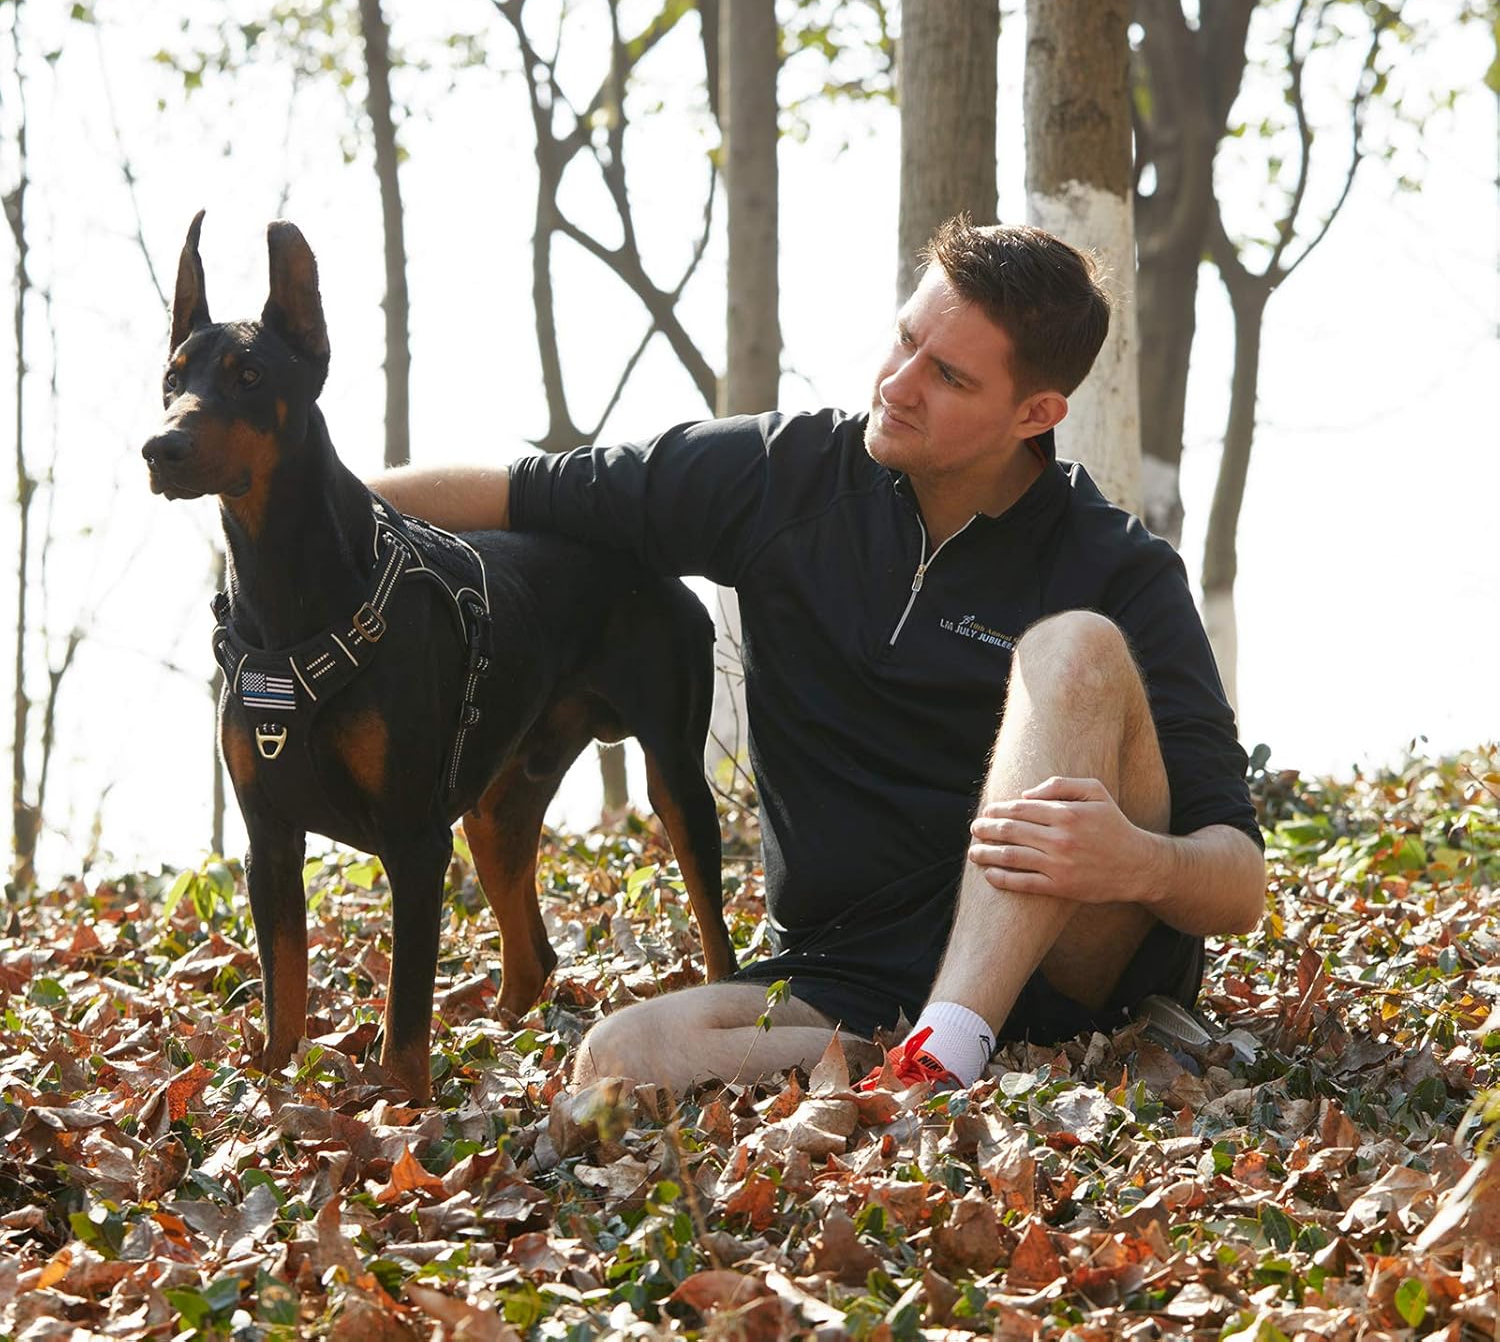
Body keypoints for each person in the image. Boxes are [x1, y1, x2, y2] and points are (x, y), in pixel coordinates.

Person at [371, 216, 1266, 1094]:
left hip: (1077, 970)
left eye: (948, 375)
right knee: (621, 1056)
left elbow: (1239, 881)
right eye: (906, 340)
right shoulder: (784, 475)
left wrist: (1136, 862)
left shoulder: (1119, 566)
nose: (899, 384)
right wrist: (314, 518)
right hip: (848, 979)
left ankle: (953, 1040)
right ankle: (913, 1066)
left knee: (1075, 646)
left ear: (1035, 413)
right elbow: (520, 491)